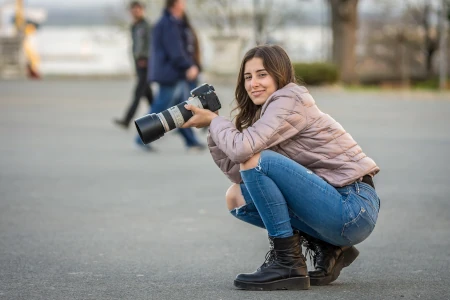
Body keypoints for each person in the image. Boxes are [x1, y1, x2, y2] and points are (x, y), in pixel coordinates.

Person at [182, 45, 381, 290]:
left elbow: (246, 153)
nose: (253, 83)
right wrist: (213, 130)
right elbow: (241, 173)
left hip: (353, 206)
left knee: (255, 159)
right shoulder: (268, 112)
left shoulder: (289, 99)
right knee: (236, 197)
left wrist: (215, 122)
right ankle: (330, 247)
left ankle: (287, 263)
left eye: (262, 74)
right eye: (248, 77)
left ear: (280, 74)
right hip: (333, 209)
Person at [135, 0, 204, 151]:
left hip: (174, 72)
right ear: (175, 4)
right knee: (161, 106)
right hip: (170, 73)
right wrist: (189, 66)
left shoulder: (175, 22)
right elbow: (175, 51)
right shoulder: (168, 24)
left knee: (182, 107)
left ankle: (190, 141)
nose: (184, 3)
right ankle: (141, 137)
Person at [114, 1, 153, 130]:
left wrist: (145, 58)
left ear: (142, 10)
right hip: (138, 64)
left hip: (145, 64)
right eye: (133, 10)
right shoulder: (134, 26)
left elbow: (150, 44)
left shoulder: (146, 26)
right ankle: (165, 120)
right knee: (149, 96)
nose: (136, 12)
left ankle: (127, 119)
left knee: (138, 93)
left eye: (138, 9)